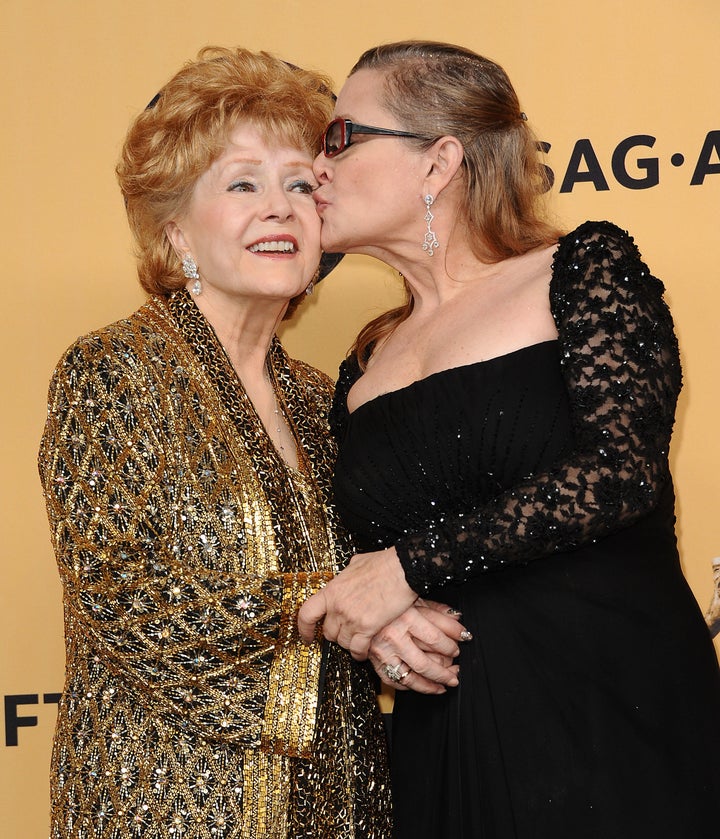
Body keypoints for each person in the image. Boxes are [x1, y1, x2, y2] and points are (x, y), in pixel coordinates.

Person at [298, 40, 720, 838]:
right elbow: (365, 566)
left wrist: (409, 566)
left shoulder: (582, 269)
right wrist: (384, 625)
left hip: (607, 711)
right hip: (445, 741)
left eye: (342, 137)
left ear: (439, 162)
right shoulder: (362, 362)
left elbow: (618, 474)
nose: (317, 165)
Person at [38, 46, 398, 839]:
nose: (281, 207)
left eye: (301, 184)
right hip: (165, 809)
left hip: (340, 805)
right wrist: (338, 607)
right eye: (243, 184)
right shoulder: (114, 371)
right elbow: (126, 592)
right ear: (174, 234)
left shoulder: (320, 396)